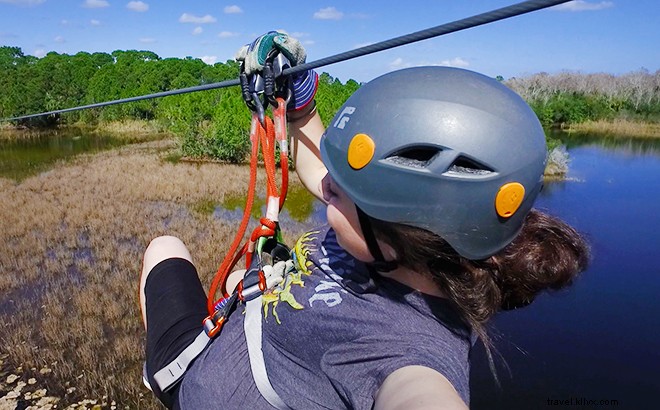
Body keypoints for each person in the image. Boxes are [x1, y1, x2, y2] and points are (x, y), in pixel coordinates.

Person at [139, 32, 589, 409]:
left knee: (163, 252)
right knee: (189, 255)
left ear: (400, 235)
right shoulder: (404, 245)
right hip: (240, 329)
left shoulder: (409, 353)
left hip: (192, 378)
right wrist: (299, 99)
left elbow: (421, 397)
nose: (327, 187)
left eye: (344, 191)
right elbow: (320, 167)